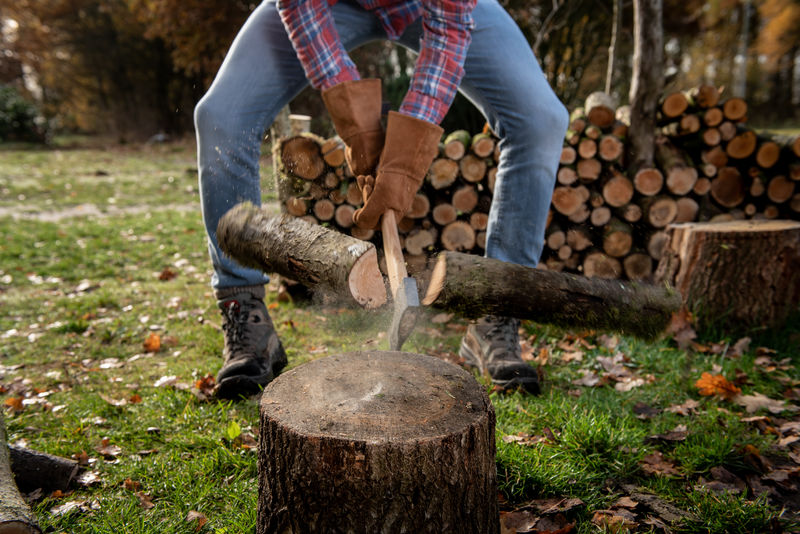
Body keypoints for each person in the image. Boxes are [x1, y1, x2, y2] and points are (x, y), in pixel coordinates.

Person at [194, 0, 569, 399]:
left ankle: (499, 313)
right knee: (221, 118)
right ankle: (244, 312)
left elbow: (450, 31)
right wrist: (357, 126)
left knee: (541, 121)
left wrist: (405, 158)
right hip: (323, 6)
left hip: (432, 8)